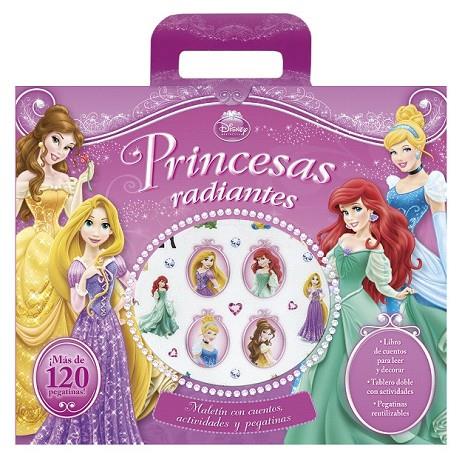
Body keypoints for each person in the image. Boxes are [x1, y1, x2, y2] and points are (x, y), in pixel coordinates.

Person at [285, 179, 446, 444]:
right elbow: (328, 270)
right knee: (325, 367)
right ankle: (316, 431)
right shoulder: (344, 238)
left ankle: (372, 423)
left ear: (372, 210)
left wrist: (396, 294)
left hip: (358, 308)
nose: (349, 217)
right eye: (345, 212)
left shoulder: (374, 246)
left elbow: (380, 281)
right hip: (336, 308)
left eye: (355, 209)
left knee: (364, 366)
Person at [32, 195, 142, 444]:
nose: (96, 232)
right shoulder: (77, 266)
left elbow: (134, 285)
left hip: (111, 330)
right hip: (86, 331)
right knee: (87, 380)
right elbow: (77, 306)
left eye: (104, 225)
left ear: (112, 230)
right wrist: (84, 279)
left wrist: (121, 307)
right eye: (90, 223)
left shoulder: (114, 261)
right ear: (79, 225)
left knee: (112, 379)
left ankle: (108, 433)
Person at [15, 104, 93, 435]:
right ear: (43, 136)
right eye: (57, 141)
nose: (61, 151)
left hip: (58, 245)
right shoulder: (26, 179)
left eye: (68, 147)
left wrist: (82, 184)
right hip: (33, 250)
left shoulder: (67, 180)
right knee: (27, 315)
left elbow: (73, 219)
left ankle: (64, 390)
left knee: (69, 308)